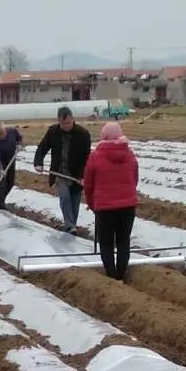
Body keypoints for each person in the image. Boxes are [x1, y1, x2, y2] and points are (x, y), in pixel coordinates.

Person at [81, 121, 140, 281]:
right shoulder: (130, 154)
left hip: (105, 208)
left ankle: (112, 276)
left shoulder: (96, 156)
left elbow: (88, 184)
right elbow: (134, 178)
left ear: (103, 136)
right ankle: (120, 275)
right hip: (127, 207)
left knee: (106, 243)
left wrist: (93, 204)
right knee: (123, 242)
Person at [32, 105, 92, 233]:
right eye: (62, 123)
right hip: (60, 172)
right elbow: (42, 148)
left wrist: (83, 175)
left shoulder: (83, 134)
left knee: (75, 200)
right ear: (58, 121)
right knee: (64, 197)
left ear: (72, 119)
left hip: (76, 173)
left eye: (68, 123)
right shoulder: (53, 132)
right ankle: (70, 225)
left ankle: (72, 225)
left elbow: (87, 157)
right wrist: (38, 162)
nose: (65, 126)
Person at [0, 122, 23, 209]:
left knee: (10, 183)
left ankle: (0, 200)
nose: (3, 136)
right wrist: (0, 169)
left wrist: (19, 144)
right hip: (0, 164)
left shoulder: (12, 130)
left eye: (3, 133)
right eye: (0, 135)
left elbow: (19, 138)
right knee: (1, 184)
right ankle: (0, 206)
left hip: (11, 160)